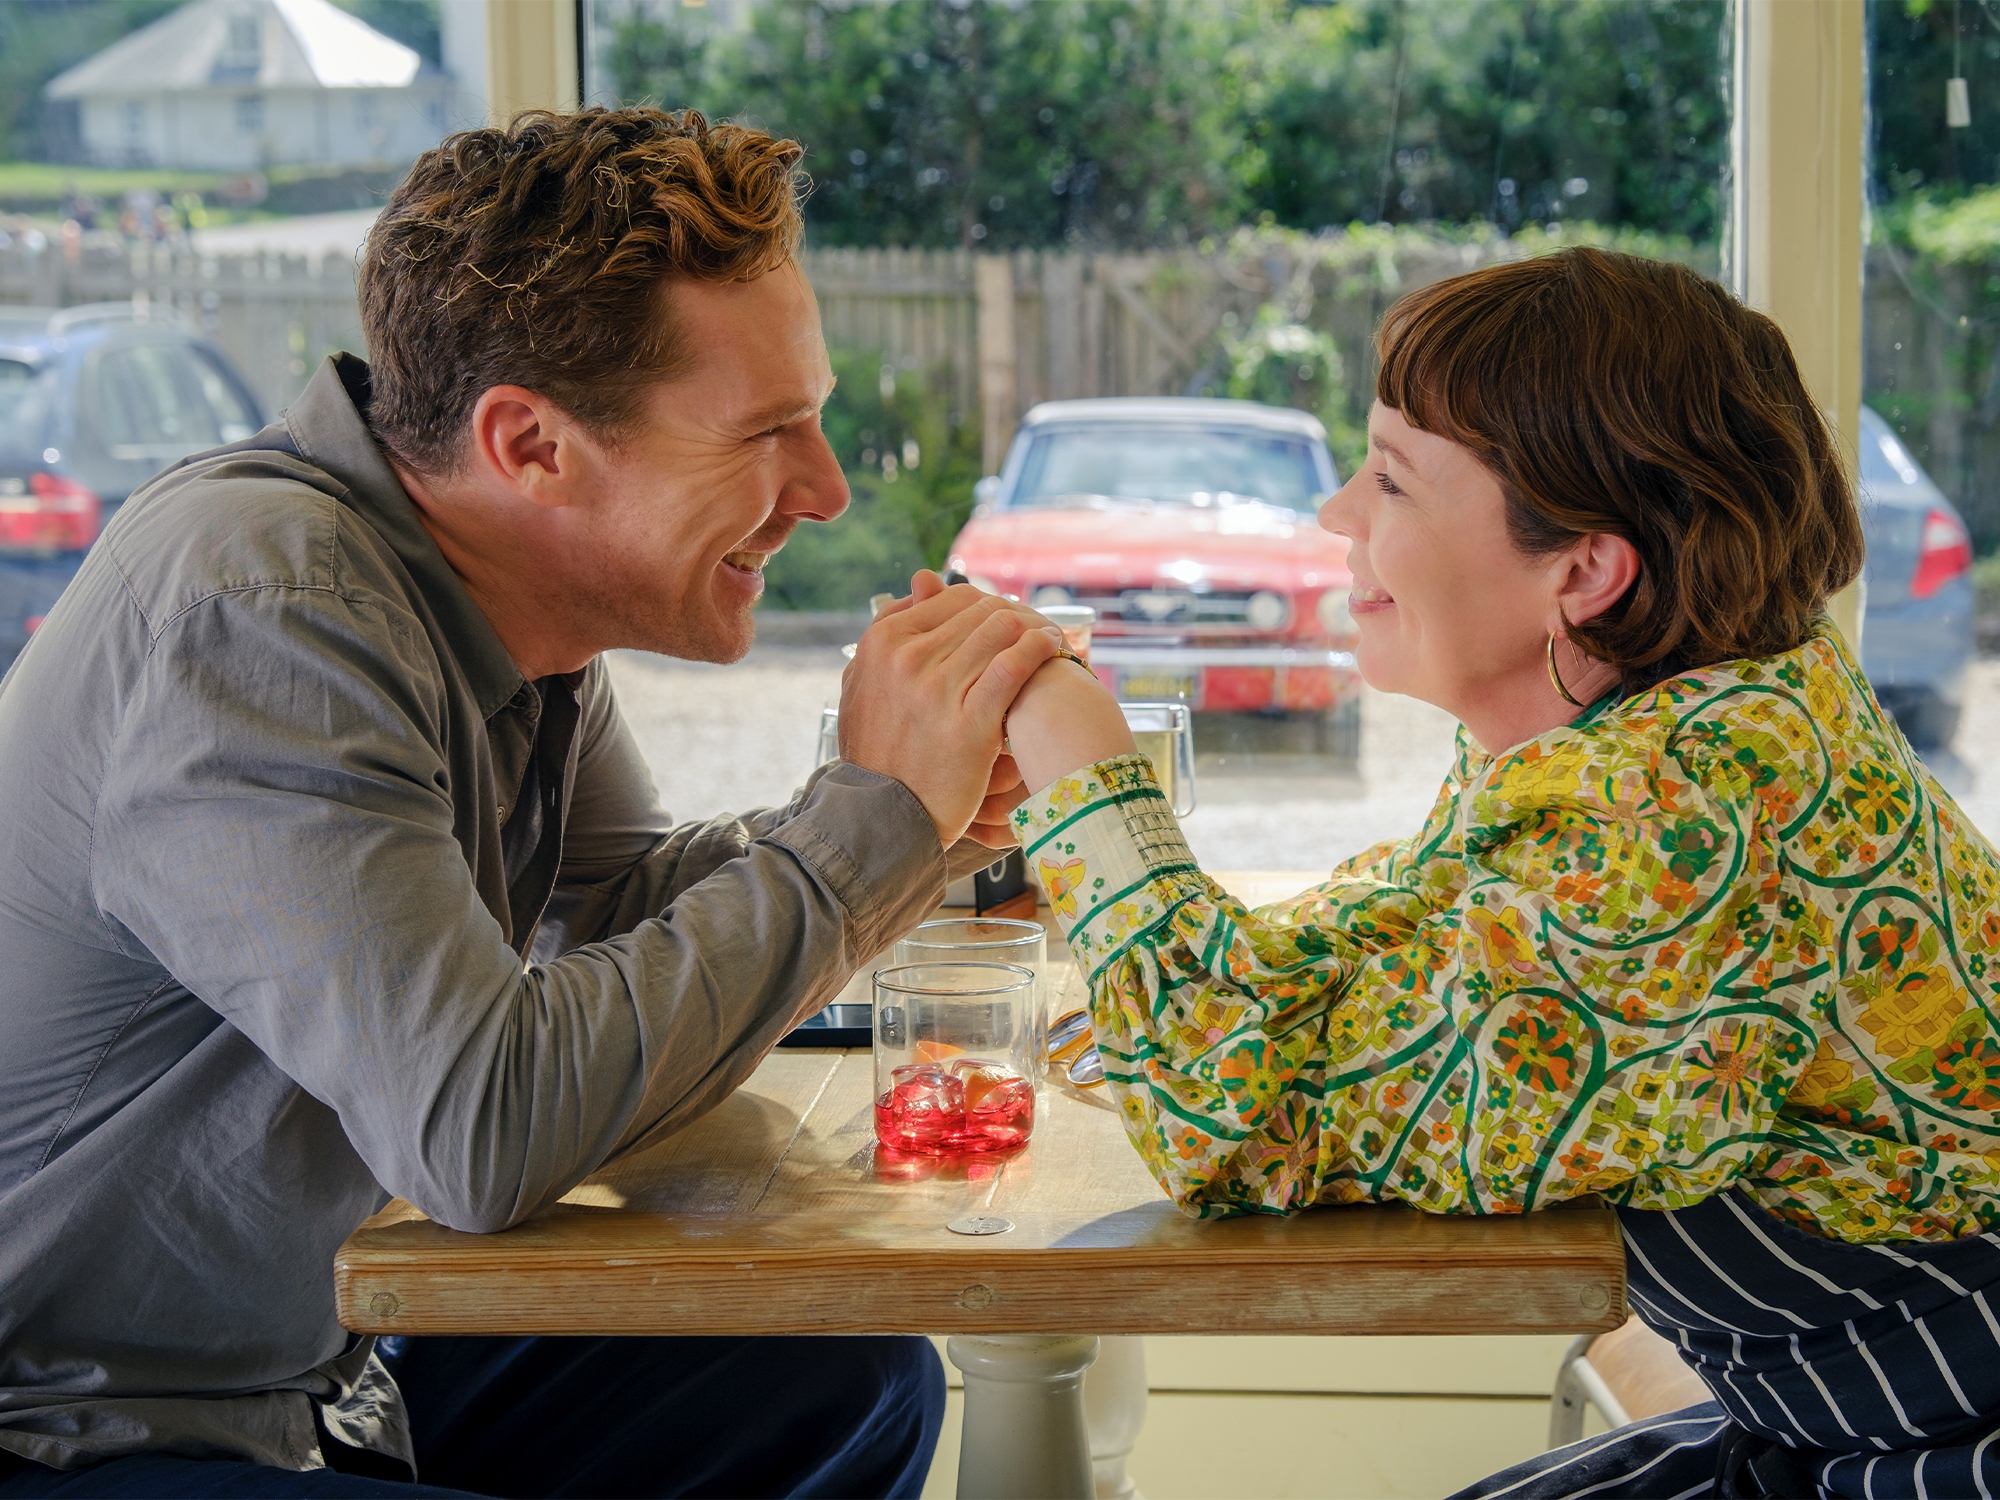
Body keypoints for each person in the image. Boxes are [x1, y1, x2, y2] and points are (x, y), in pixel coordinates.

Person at [0, 108, 1059, 1497]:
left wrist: (934, 826)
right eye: (766, 432)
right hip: (83, 1423)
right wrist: (869, 824)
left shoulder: (493, 594)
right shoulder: (272, 617)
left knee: (844, 1383)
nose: (827, 487)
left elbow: (608, 907)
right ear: (531, 445)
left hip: (318, 1364)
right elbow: (483, 1129)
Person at [992, 247, 2000, 1498]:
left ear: (1582, 570)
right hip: (1840, 1423)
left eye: (1391, 481)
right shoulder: (1650, 728)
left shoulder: (1673, 819)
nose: (1335, 517)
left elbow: (1234, 1125)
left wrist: (1076, 765)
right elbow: (1331, 971)